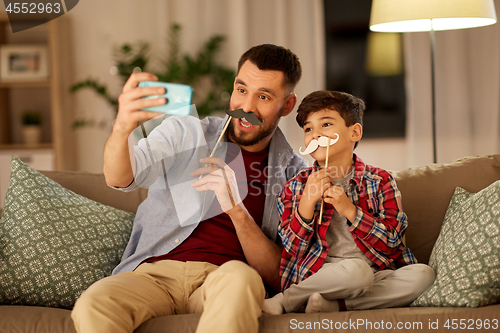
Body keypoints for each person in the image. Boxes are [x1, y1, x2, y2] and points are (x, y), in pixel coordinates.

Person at [71, 44, 307, 333]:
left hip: (223, 278)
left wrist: (236, 209)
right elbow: (121, 178)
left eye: (264, 96)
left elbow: (280, 275)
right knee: (94, 302)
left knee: (241, 280)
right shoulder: (186, 132)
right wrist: (122, 127)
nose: (246, 108)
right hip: (153, 275)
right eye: (241, 90)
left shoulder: (295, 174)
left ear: (287, 104)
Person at [263, 90, 435, 315]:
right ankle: (286, 300)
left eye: (325, 124)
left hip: (376, 273)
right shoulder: (295, 186)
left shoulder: (380, 181)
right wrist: (307, 202)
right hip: (322, 274)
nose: (315, 134)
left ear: (354, 132)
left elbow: (393, 244)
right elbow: (293, 249)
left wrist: (350, 210)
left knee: (424, 275)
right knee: (357, 272)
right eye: (308, 128)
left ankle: (334, 306)